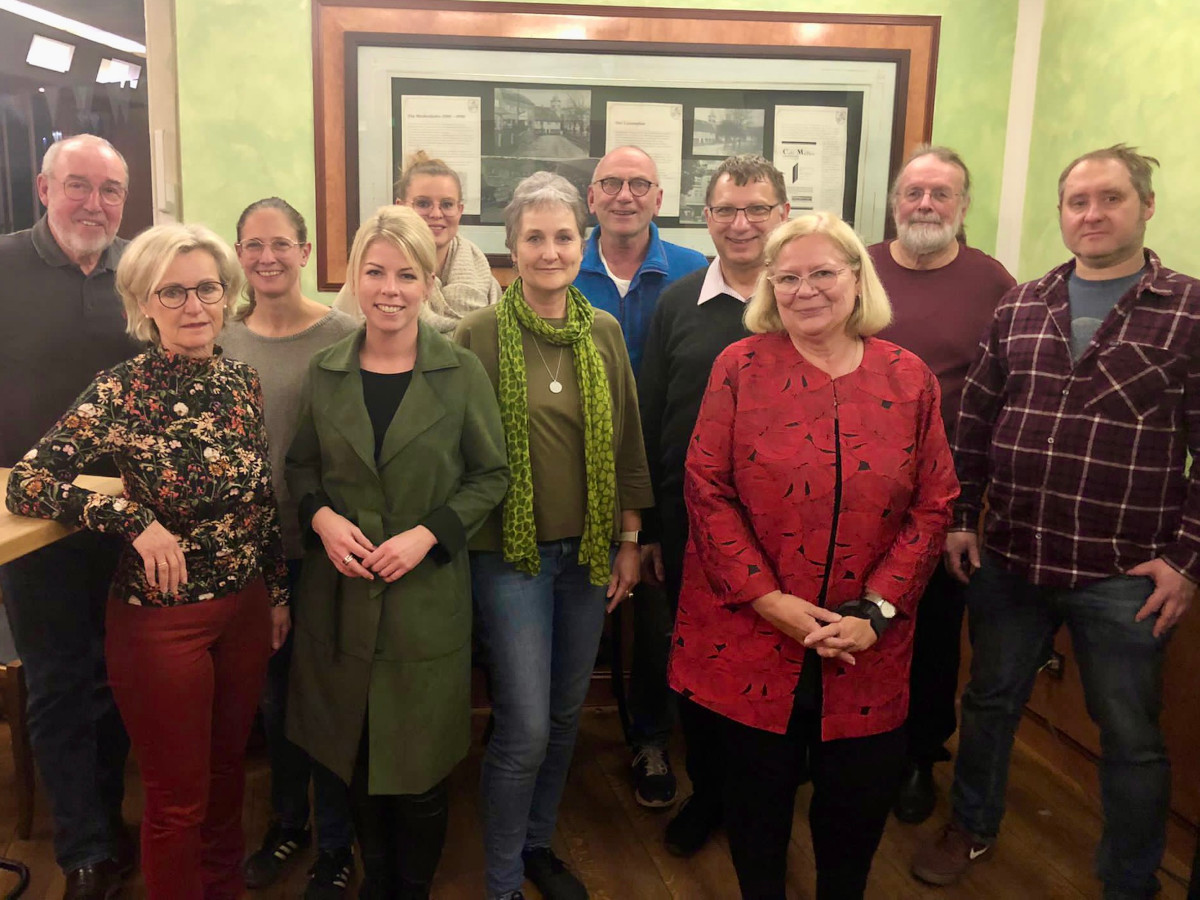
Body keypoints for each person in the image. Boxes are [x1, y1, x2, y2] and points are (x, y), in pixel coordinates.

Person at [913, 145, 1199, 899]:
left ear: (1145, 207)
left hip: (1126, 571)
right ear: (1062, 212)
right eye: (1078, 202)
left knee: (1131, 737)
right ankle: (971, 826)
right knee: (988, 702)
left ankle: (1129, 879)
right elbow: (974, 421)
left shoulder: (1190, 313)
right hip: (1012, 553)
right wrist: (964, 518)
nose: (1093, 214)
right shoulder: (1024, 303)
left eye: (1110, 199)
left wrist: (1186, 559)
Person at [670, 211, 959, 899]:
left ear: (857, 279)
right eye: (789, 277)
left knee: (853, 814)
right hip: (750, 636)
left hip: (866, 645)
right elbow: (707, 489)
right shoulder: (739, 367)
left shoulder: (909, 378)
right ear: (770, 287)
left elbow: (933, 503)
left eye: (823, 272)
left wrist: (876, 610)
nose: (806, 290)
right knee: (756, 813)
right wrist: (770, 602)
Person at [6, 222, 291, 899]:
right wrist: (135, 520)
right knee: (178, 799)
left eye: (207, 289)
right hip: (162, 623)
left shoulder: (242, 382)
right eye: (173, 292)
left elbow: (260, 499)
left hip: (245, 611)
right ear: (144, 303)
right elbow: (29, 482)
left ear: (226, 296)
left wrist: (276, 592)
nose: (194, 306)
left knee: (229, 783)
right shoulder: (120, 389)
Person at [285, 204, 509, 899]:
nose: (389, 288)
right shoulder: (325, 372)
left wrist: (429, 532)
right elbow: (300, 470)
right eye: (375, 271)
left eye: (405, 274)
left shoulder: (461, 370)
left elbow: (491, 475)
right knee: (349, 760)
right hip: (341, 597)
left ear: (429, 277)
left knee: (417, 773)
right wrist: (320, 518)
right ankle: (376, 883)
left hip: (425, 599)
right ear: (354, 275)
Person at [454, 172, 653, 900]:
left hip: (590, 555)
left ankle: (539, 845)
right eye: (533, 237)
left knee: (566, 715)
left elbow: (628, 442)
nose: (549, 250)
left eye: (563, 236)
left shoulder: (602, 330)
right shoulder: (475, 335)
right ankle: (503, 880)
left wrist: (629, 538)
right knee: (526, 725)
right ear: (510, 249)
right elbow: (455, 455)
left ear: (583, 243)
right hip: (510, 559)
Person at [637, 153, 791, 856]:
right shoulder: (678, 302)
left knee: (774, 665)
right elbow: (651, 417)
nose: (741, 223)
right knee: (698, 668)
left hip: (789, 526)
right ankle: (710, 795)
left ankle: (767, 800)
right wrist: (648, 529)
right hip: (689, 524)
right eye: (726, 209)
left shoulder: (805, 299)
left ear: (782, 215)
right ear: (704, 218)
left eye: (757, 208)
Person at [0, 133, 141, 900]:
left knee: (116, 678)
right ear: (44, 187)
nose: (94, 203)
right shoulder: (2, 265)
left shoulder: (141, 273)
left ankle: (106, 817)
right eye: (79, 185)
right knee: (57, 683)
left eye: (110, 190)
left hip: (127, 520)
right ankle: (84, 849)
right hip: (33, 525)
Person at [868, 145, 1016, 823]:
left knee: (926, 637)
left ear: (964, 206)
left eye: (941, 194)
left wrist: (970, 510)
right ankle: (843, 748)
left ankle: (917, 759)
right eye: (913, 193)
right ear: (894, 201)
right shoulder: (853, 267)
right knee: (850, 617)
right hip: (847, 487)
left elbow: (1005, 397)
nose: (925, 205)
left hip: (940, 499)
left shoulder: (994, 285)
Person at [221, 197, 359, 897]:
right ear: (239, 253)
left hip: (329, 549)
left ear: (305, 251)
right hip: (249, 554)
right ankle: (287, 824)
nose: (267, 257)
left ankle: (335, 841)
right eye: (253, 245)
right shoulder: (219, 336)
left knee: (326, 700)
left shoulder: (346, 334)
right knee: (274, 702)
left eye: (280, 243)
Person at [574, 145, 707, 808]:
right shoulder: (561, 266)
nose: (624, 195)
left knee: (657, 618)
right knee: (572, 611)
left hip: (663, 477)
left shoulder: (696, 276)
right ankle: (551, 740)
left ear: (660, 197)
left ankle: (653, 738)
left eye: (639, 184)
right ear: (590, 196)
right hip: (572, 480)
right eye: (610, 184)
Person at [335, 151, 500, 332]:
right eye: (423, 204)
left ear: (460, 210)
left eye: (447, 204)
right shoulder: (365, 285)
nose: (436, 214)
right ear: (401, 206)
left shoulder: (485, 281)